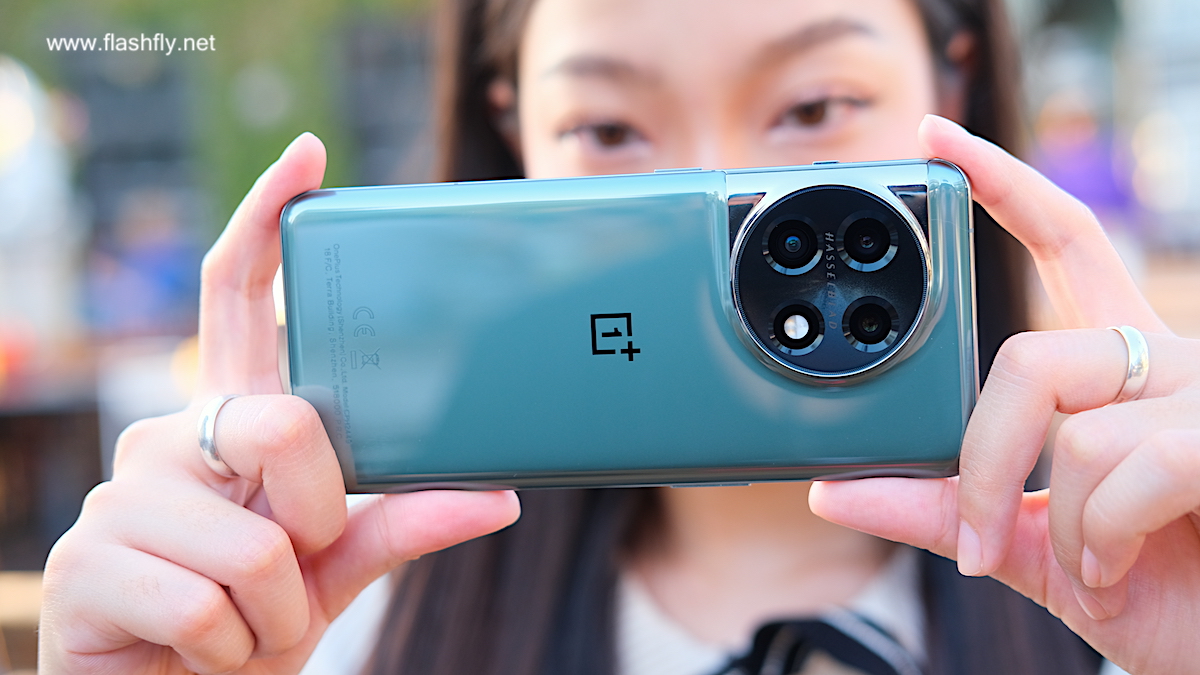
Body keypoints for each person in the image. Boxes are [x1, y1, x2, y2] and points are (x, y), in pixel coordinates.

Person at [38, 0, 1200, 674]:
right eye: (608, 128)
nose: (713, 181)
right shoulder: (329, 624)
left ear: (953, 76)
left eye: (813, 108)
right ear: (514, 135)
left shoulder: (1134, 572)